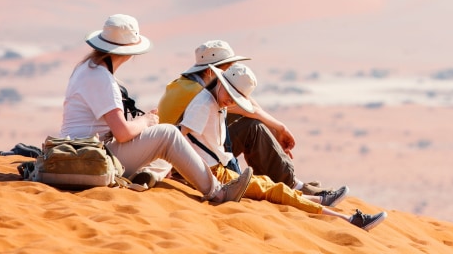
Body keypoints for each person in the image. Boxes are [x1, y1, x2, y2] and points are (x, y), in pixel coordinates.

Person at [58, 14, 253, 204]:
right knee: (169, 134)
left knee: (164, 148)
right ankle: (218, 193)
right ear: (130, 51)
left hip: (81, 153)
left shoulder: (86, 68)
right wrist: (146, 121)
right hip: (92, 158)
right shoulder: (102, 78)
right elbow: (122, 133)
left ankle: (147, 175)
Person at [180, 62, 387, 231]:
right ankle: (348, 219)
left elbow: (252, 111)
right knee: (274, 190)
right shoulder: (203, 105)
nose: (230, 103)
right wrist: (177, 171)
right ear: (221, 82)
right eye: (230, 96)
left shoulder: (214, 100)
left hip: (216, 171)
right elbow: (179, 136)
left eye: (236, 99)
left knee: (271, 188)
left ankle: (322, 201)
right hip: (211, 175)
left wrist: (279, 127)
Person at [158, 40, 329, 196]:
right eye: (228, 68)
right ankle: (291, 185)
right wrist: (280, 128)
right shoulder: (202, 96)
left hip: (181, 156)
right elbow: (251, 110)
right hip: (183, 163)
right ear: (212, 71)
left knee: (252, 124)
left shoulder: (180, 84)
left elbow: (247, 102)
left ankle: (289, 183)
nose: (231, 72)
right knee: (253, 128)